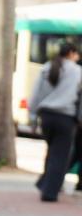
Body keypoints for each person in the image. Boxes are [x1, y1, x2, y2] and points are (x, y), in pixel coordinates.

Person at [29, 42, 81, 202]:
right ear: (72, 53)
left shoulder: (47, 67)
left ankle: (44, 183)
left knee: (52, 152)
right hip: (65, 118)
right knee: (60, 156)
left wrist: (32, 117)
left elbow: (36, 93)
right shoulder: (77, 71)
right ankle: (49, 192)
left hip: (46, 116)